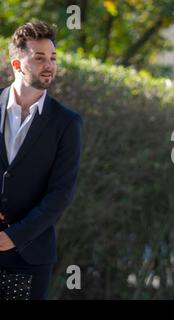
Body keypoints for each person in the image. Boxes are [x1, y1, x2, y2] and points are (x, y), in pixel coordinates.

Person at [0, 21, 82, 299]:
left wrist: (14, 236)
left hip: (28, 257)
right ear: (16, 64)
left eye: (52, 58)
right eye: (39, 58)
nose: (49, 65)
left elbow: (61, 193)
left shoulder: (67, 123)